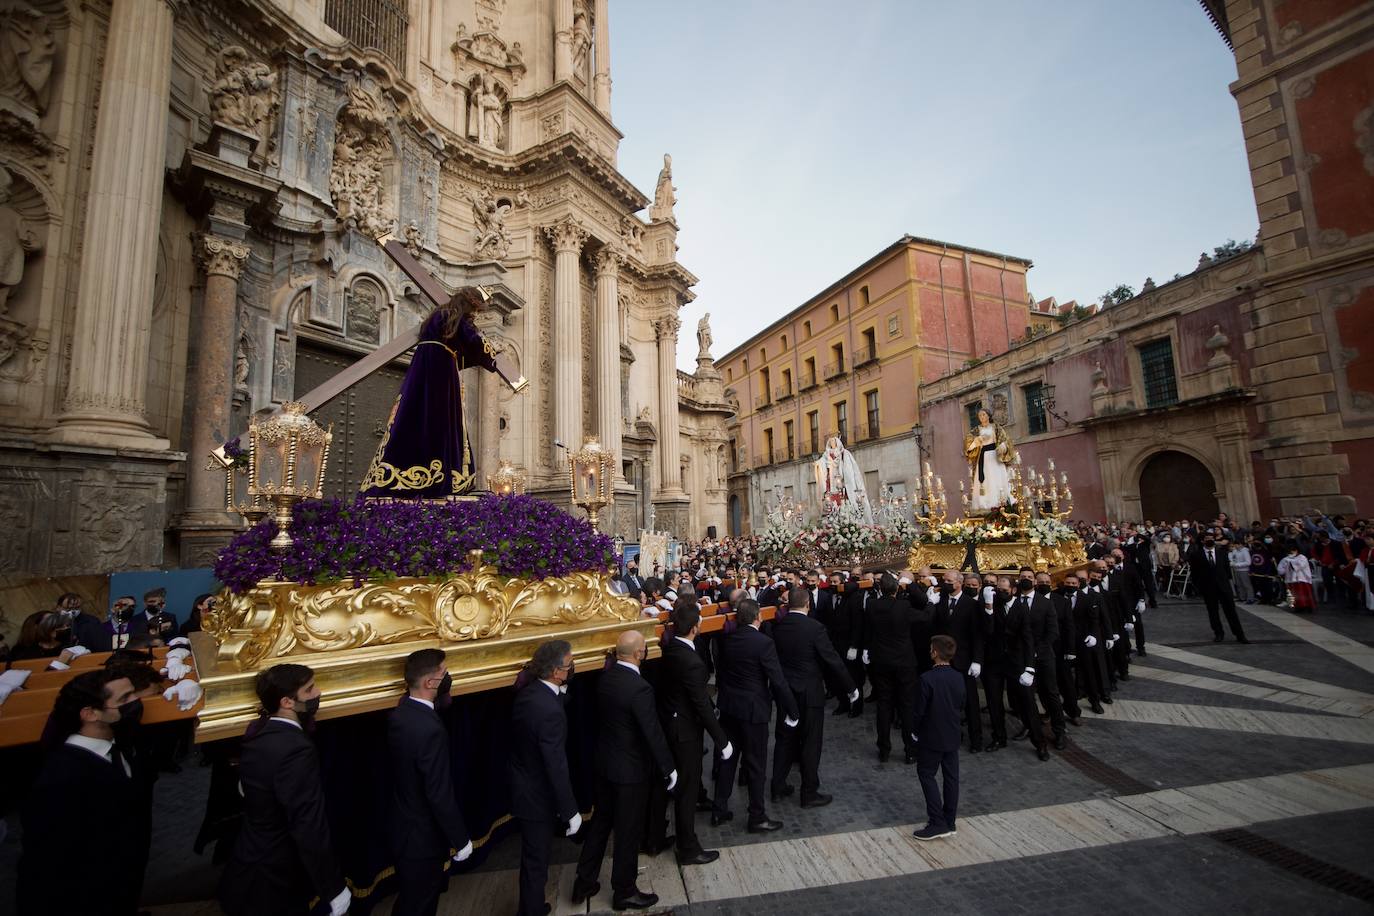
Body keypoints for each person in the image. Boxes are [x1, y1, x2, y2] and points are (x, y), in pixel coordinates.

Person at [219, 664, 350, 916]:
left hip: (249, 862)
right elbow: (308, 824)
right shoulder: (296, 750)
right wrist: (332, 888)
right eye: (310, 689)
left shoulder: (260, 735)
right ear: (287, 702)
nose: (318, 693)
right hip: (272, 876)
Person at [17, 670, 144, 916]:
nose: (136, 702)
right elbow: (47, 863)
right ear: (90, 713)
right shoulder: (60, 779)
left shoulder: (119, 747)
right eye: (125, 698)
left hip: (120, 885)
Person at [572, 631, 675, 911]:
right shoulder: (640, 688)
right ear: (639, 653)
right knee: (627, 831)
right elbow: (652, 733)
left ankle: (584, 880)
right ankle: (625, 890)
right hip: (630, 772)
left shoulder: (605, 678)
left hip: (605, 765)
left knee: (601, 824)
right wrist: (668, 768)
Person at [388, 649, 472, 916]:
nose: (448, 677)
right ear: (429, 683)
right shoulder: (429, 728)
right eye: (444, 673)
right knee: (421, 905)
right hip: (423, 840)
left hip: (402, 830)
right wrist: (460, 840)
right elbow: (439, 793)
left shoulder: (400, 715)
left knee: (410, 901)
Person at [712, 599, 799, 832]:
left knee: (728, 758)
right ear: (757, 617)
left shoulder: (728, 640)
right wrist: (792, 709)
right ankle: (757, 815)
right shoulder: (764, 643)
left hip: (730, 707)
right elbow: (777, 680)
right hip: (753, 710)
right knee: (755, 764)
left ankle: (719, 808)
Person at [656, 602, 733, 866]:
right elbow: (700, 704)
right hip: (686, 732)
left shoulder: (668, 649)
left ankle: (658, 836)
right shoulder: (692, 662)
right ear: (694, 628)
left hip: (670, 723)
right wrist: (721, 739)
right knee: (687, 791)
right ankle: (688, 847)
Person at [767, 585, 856, 807]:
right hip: (809, 692)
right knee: (810, 742)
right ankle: (809, 793)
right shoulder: (815, 628)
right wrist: (851, 687)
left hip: (786, 692)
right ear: (808, 604)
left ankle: (777, 786)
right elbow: (831, 659)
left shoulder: (777, 626)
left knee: (784, 739)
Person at [509, 640, 580, 916]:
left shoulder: (531, 693)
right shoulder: (548, 711)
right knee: (536, 861)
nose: (571, 667)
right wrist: (570, 810)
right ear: (555, 672)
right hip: (536, 797)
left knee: (533, 859)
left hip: (523, 783)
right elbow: (556, 766)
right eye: (568, 665)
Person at [861, 573, 924, 764]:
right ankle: (910, 750)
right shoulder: (903, 606)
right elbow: (924, 615)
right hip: (904, 662)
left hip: (881, 660)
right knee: (906, 706)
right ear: (897, 589)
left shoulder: (872, 605)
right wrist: (927, 601)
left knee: (884, 705)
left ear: (880, 588)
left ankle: (884, 749)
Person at [912, 635, 965, 841]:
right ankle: (949, 820)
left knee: (926, 774)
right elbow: (961, 703)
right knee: (951, 778)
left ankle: (937, 821)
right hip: (952, 734)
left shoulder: (927, 679)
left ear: (935, 653)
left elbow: (920, 711)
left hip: (932, 736)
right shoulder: (958, 677)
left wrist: (915, 731)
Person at [931, 571, 985, 753]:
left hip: (964, 659)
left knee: (971, 701)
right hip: (943, 659)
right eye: (944, 580)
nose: (945, 583)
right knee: (944, 701)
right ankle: (948, 735)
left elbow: (977, 635)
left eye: (949, 581)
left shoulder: (971, 604)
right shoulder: (941, 600)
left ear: (959, 583)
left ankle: (976, 739)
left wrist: (977, 660)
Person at [1187, 531, 1250, 643]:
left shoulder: (1222, 553)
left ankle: (1240, 634)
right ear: (1202, 541)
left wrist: (1226, 583)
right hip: (1208, 588)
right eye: (1207, 538)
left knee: (1231, 611)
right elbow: (1195, 572)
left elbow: (1227, 570)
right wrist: (1200, 587)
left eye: (1211, 537)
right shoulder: (1196, 555)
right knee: (1213, 612)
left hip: (1224, 586)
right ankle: (1218, 633)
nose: (1210, 539)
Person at [1278, 544, 1316, 612]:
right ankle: (1298, 607)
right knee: (1294, 594)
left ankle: (1307, 606)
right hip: (1291, 580)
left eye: (1292, 552)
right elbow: (1281, 569)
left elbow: (1300, 566)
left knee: (1304, 594)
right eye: (1289, 552)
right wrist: (1284, 569)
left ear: (1296, 551)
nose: (1290, 554)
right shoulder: (1285, 559)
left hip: (1302, 579)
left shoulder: (1302, 557)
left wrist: (1290, 563)